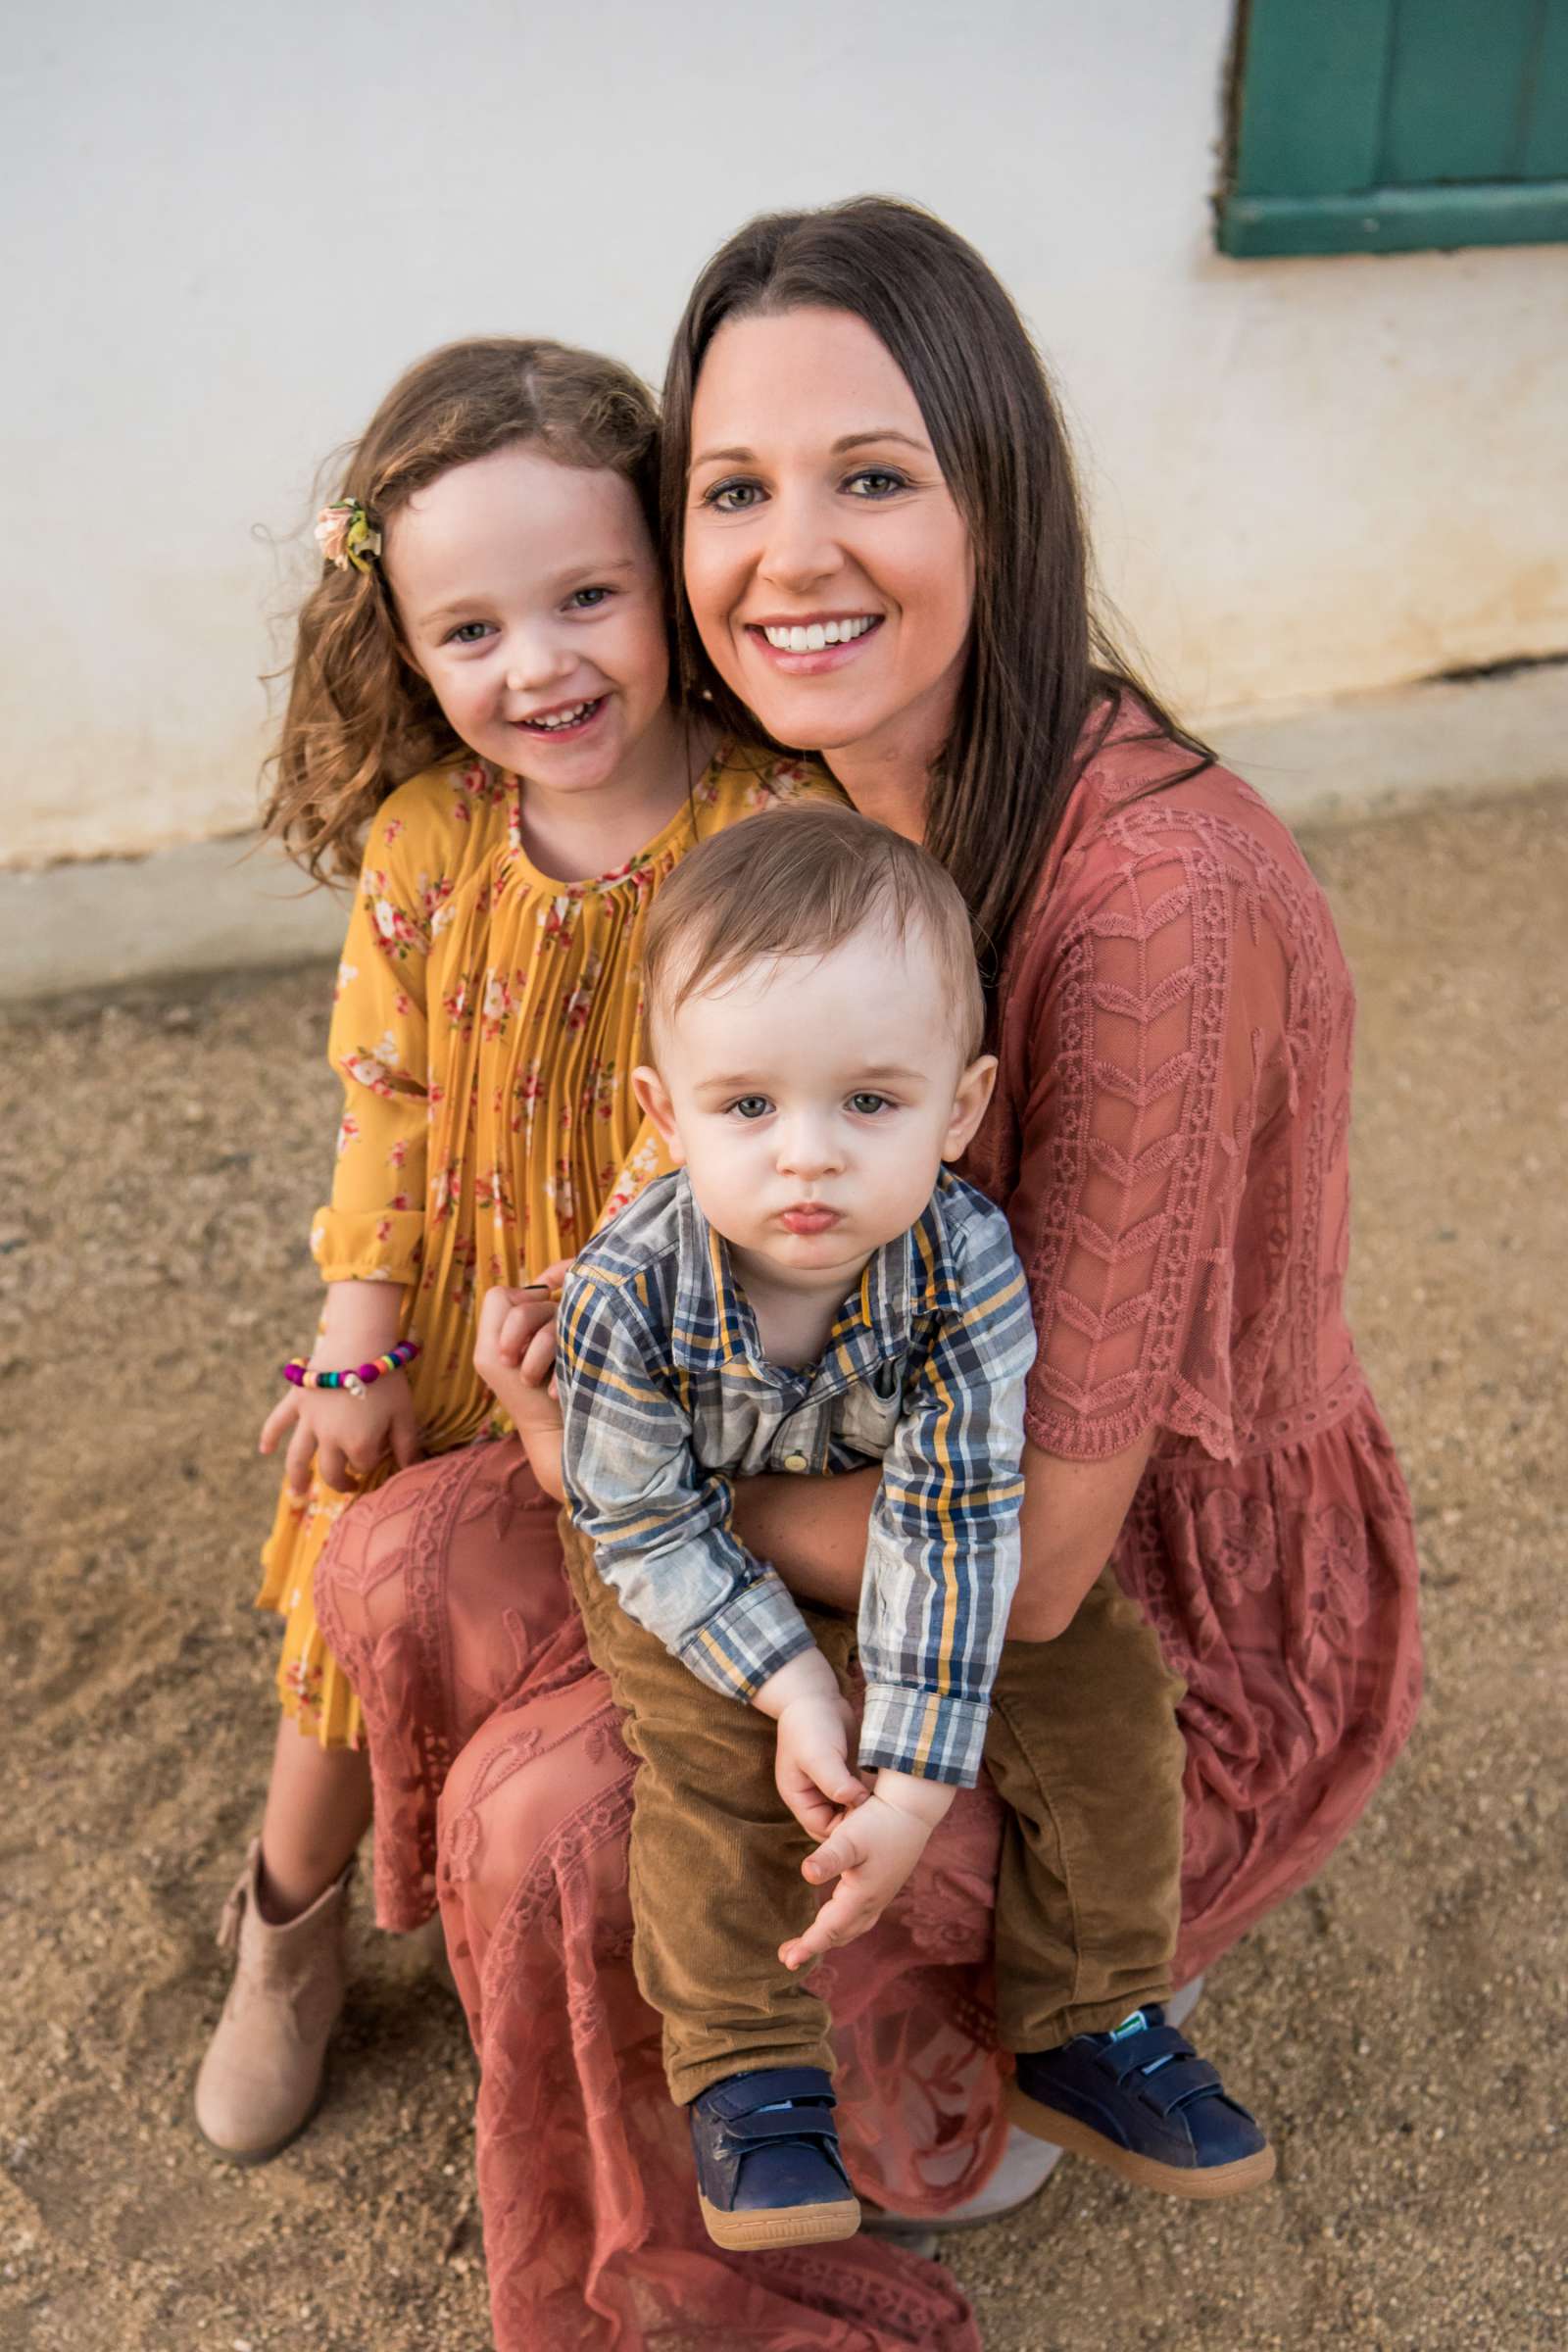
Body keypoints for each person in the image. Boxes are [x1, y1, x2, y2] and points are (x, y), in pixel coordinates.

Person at [315, 199, 1422, 2351]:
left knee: (558, 1808)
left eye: (873, 477)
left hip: (1122, 1589)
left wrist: (611, 1475)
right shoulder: (829, 797)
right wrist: (588, 1367)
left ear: (997, 488)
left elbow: (1022, 1579)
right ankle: (719, 2041)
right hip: (849, 1451)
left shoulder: (1140, 915)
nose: (784, 557)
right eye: (732, 489)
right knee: (400, 1560)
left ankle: (865, 2111)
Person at [194, 334, 822, 2162]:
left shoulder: (765, 827)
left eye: (586, 599)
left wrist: (595, 1338)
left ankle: (598, 1948)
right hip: (450, 1328)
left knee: (615, 1649)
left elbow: (710, 1131)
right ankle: (287, 1938)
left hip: (658, 1340)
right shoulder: (425, 843)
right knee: (338, 1586)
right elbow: (385, 1107)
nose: (537, 664)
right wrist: (355, 1345)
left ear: (664, 582)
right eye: (471, 630)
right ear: (400, 643)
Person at [520, 803, 1270, 2249]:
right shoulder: (628, 1288)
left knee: (1101, 1685)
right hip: (672, 1536)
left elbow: (957, 1510)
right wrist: (793, 1683)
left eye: (870, 1103)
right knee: (712, 1752)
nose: (806, 1160)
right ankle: (747, 2072)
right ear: (661, 1112)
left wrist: (914, 1779)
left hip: (887, 1515)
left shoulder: (964, 1261)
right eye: (747, 1107)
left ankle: (1090, 2015)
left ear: (963, 1106)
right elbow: (641, 1515)